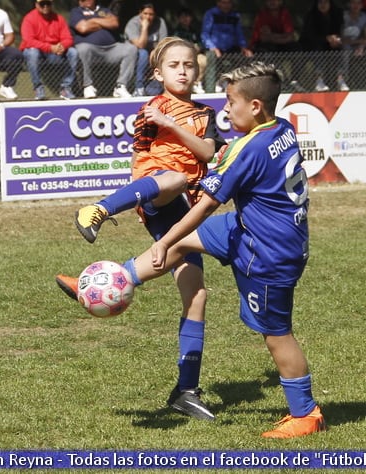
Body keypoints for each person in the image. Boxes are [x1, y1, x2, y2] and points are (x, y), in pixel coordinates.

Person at [56, 61, 326, 439]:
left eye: (231, 102)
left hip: (267, 252)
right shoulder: (281, 128)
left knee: (276, 332)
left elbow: (204, 206)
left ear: (256, 108)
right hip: (254, 229)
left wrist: (162, 240)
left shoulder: (246, 149)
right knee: (184, 243)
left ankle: (305, 414)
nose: (226, 109)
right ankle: (114, 281)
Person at [61, 37, 224, 420]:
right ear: (157, 73)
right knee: (173, 177)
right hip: (157, 191)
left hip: (182, 204)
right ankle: (98, 209)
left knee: (196, 293)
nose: (182, 70)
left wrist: (177, 130)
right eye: (173, 65)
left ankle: (186, 390)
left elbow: (207, 152)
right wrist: (142, 189)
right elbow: (143, 153)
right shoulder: (154, 107)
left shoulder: (205, 113)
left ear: (198, 70)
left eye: (188, 64)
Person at [68, 0, 136, 99]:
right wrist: (103, 22)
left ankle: (120, 86)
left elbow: (114, 23)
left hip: (111, 49)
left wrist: (92, 21)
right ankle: (87, 86)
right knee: (83, 48)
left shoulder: (104, 10)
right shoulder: (76, 12)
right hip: (91, 50)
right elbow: (83, 28)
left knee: (131, 49)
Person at [20, 0, 78, 100]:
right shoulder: (29, 18)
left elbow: (68, 38)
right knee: (32, 52)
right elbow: (28, 41)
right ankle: (38, 88)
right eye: (42, 4)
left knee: (73, 52)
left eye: (48, 4)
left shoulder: (59, 18)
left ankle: (66, 88)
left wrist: (62, 46)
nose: (45, 6)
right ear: (36, 5)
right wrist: (50, 47)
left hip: (55, 52)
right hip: (37, 52)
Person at [201, 0, 253, 93]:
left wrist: (243, 47)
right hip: (214, 50)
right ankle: (212, 86)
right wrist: (212, 47)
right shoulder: (211, 14)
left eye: (228, 2)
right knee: (210, 60)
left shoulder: (235, 15)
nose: (226, 5)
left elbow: (239, 33)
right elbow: (205, 34)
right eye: (223, 2)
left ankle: (235, 85)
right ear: (218, 3)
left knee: (245, 60)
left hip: (232, 49)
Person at [299, 0, 344, 92]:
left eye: (325, 3)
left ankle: (340, 79)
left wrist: (335, 39)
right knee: (319, 52)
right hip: (312, 45)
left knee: (340, 50)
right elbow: (310, 36)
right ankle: (319, 80)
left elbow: (339, 31)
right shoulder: (311, 16)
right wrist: (326, 38)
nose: (323, 5)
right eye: (320, 3)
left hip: (330, 44)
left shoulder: (336, 15)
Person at [124, 3, 168, 97]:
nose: (148, 17)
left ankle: (159, 88)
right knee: (143, 53)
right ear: (140, 13)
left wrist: (154, 54)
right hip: (135, 56)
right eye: (145, 13)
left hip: (153, 56)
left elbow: (163, 44)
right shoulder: (133, 23)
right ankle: (139, 87)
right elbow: (141, 45)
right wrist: (144, 27)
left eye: (151, 14)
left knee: (164, 55)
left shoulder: (160, 22)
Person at [172, 8, 207, 94]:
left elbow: (201, 43)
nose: (186, 19)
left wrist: (198, 47)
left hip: (195, 54)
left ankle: (196, 83)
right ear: (179, 18)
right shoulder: (176, 32)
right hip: (181, 56)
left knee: (203, 60)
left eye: (188, 16)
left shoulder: (194, 30)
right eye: (183, 17)